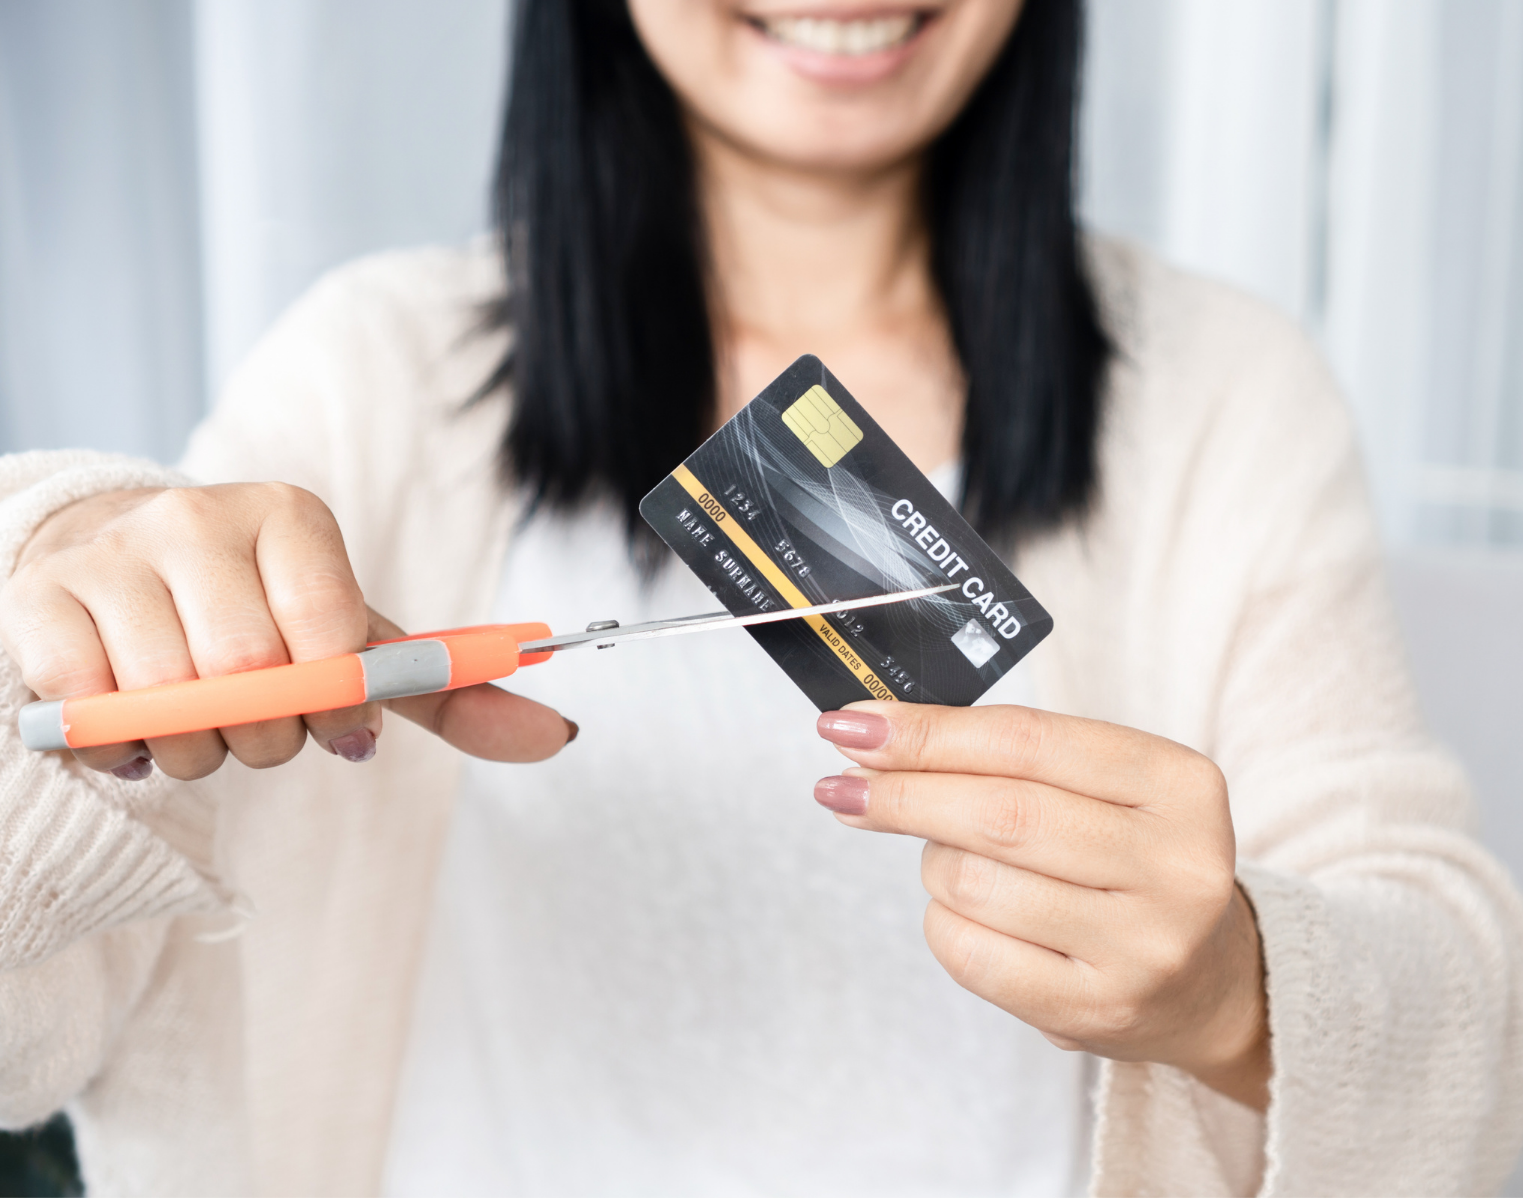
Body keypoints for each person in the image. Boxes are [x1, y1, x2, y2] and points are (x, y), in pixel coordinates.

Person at [0, 0, 1519, 1193]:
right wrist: (48, 570)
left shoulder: (1223, 397)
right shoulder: (367, 368)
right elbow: (31, 1022)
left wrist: (1240, 992)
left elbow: (1470, 1023)